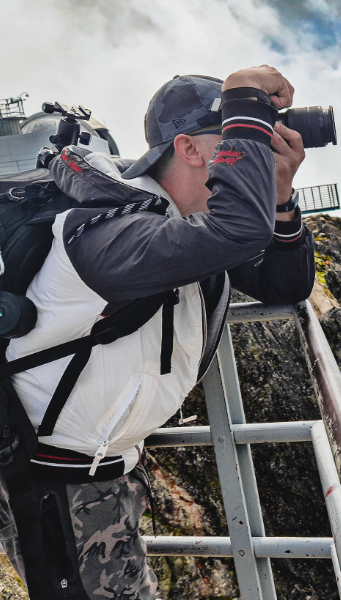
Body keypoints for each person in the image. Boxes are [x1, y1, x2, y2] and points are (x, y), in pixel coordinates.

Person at [0, 66, 314, 599]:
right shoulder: (113, 232)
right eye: (240, 135)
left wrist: (279, 192)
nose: (258, 145)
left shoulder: (187, 220)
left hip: (111, 465)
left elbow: (286, 282)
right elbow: (239, 232)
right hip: (53, 483)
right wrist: (243, 90)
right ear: (190, 149)